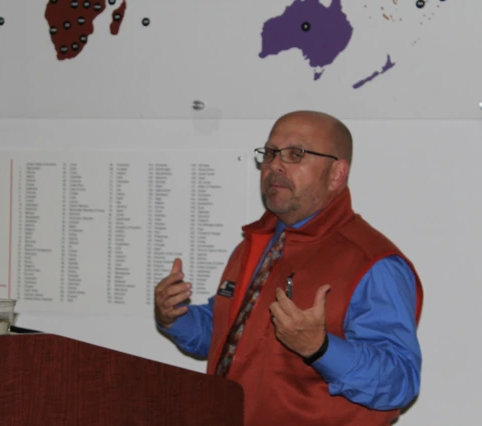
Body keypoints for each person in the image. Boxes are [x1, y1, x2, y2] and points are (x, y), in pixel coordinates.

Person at [154, 110, 423, 426]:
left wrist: (320, 348)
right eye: (269, 153)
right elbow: (228, 336)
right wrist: (175, 317)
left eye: (295, 154)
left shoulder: (372, 263)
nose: (274, 165)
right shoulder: (256, 244)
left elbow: (399, 382)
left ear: (336, 174)